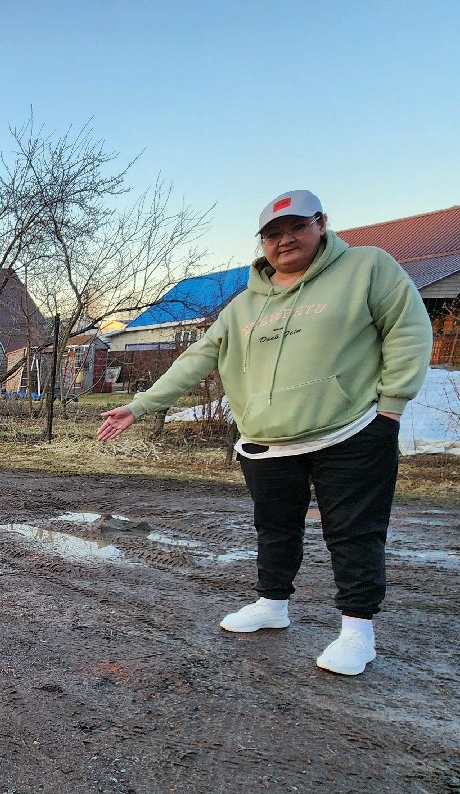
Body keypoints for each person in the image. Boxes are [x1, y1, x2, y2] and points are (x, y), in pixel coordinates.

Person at [96, 190, 432, 676]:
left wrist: (392, 407)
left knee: (353, 531)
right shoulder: (244, 305)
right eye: (273, 234)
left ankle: (358, 632)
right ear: (262, 242)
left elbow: (408, 329)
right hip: (267, 438)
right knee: (274, 526)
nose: (285, 240)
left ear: (321, 224)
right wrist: (141, 405)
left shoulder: (367, 268)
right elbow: (198, 358)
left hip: (351, 430)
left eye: (296, 227)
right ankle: (273, 604)